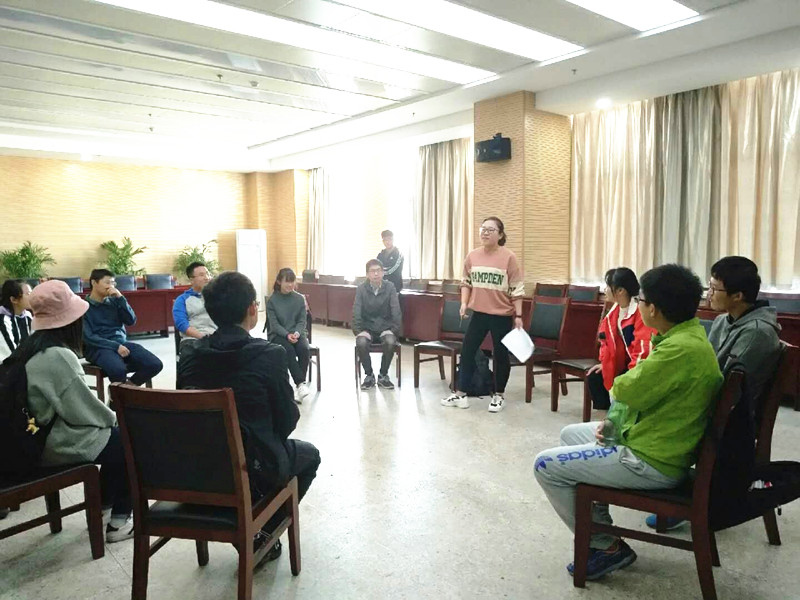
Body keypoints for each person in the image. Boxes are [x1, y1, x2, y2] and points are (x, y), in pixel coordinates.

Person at [533, 264, 722, 581]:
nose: (639, 304)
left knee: (544, 466)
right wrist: (614, 423)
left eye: (642, 300)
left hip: (653, 460)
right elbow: (633, 393)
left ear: (654, 309)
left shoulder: (678, 350)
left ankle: (605, 545)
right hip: (654, 439)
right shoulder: (684, 336)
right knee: (569, 434)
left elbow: (623, 388)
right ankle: (600, 525)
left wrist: (620, 397)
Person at [177, 271, 320, 563]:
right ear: (252, 309)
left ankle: (252, 527)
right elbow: (286, 421)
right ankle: (261, 531)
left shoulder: (190, 353)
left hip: (198, 468)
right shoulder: (270, 354)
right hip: (253, 467)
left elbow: (187, 415)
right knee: (309, 456)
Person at [644, 255, 783, 531]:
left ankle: (676, 491)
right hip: (716, 403)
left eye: (714, 288)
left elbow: (728, 390)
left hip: (733, 420)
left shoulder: (758, 333)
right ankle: (668, 483)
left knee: (655, 421)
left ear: (738, 296)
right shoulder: (723, 321)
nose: (708, 294)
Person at [13, 280, 134, 542]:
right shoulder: (57, 356)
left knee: (113, 438)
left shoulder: (29, 347)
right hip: (50, 443)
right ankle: (120, 520)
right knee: (127, 439)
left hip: (30, 436)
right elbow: (84, 411)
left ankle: (103, 505)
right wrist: (116, 419)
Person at [441, 216, 524, 413]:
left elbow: (517, 288)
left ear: (500, 235)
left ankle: (499, 395)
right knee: (467, 351)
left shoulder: (509, 257)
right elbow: (466, 283)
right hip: (479, 313)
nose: (485, 233)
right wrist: (464, 304)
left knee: (500, 355)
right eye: (483, 229)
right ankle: (461, 394)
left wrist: (519, 316)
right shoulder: (472, 256)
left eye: (490, 230)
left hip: (501, 315)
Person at [585, 268, 655, 414]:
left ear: (620, 290)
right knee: (596, 377)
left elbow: (643, 352)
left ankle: (619, 417)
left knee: (621, 383)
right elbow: (605, 341)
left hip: (640, 366)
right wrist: (605, 363)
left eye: (608, 286)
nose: (605, 290)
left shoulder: (640, 312)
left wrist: (630, 375)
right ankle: (608, 417)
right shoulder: (614, 313)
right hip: (622, 362)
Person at [83, 269, 163, 385]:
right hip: (98, 348)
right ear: (94, 283)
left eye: (113, 283)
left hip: (122, 344)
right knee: (118, 370)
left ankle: (127, 389)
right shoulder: (83, 307)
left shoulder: (115, 301)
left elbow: (131, 321)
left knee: (154, 364)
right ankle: (120, 395)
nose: (111, 286)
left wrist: (121, 298)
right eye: (107, 282)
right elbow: (88, 337)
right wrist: (116, 346)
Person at [353, 258, 402, 390]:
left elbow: (396, 310)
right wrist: (359, 331)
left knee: (390, 341)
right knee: (361, 342)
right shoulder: (361, 289)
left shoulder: (390, 287)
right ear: (367, 274)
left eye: (379, 270)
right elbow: (356, 311)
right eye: (372, 271)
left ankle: (383, 375)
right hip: (367, 328)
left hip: (386, 328)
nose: (376, 274)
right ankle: (369, 375)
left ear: (383, 272)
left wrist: (393, 330)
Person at [267, 268, 311, 402]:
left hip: (297, 333)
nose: (290, 285)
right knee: (288, 350)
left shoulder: (299, 298)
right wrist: (287, 335)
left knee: (304, 349)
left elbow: (302, 320)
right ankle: (301, 383)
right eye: (287, 282)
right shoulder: (272, 300)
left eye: (292, 281)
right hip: (278, 335)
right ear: (279, 282)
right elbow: (274, 325)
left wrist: (296, 333)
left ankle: (299, 387)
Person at [173, 261, 216, 343]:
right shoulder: (182, 300)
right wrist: (205, 338)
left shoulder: (217, 296)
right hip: (193, 340)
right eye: (202, 275)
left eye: (208, 274)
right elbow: (182, 325)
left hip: (217, 337)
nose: (207, 278)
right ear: (191, 280)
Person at [0, 279, 33, 363]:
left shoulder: (27, 316)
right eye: (28, 294)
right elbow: (9, 355)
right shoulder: (2, 320)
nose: (33, 297)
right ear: (14, 300)